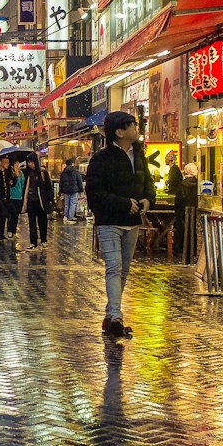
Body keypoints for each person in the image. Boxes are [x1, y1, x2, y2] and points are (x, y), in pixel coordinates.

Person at [85, 110, 154, 339]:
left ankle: (110, 316)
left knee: (123, 270)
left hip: (132, 223)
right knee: (113, 267)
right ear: (119, 131)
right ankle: (116, 316)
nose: (137, 129)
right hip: (109, 222)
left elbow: (148, 183)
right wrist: (124, 204)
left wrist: (147, 200)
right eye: (132, 125)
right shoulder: (101, 158)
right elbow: (95, 193)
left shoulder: (139, 154)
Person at [24, 155, 54, 250]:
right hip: (31, 201)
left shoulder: (42, 172)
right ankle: (33, 242)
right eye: (28, 162)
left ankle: (43, 240)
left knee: (42, 222)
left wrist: (49, 199)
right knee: (32, 223)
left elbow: (49, 187)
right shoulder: (27, 174)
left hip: (41, 202)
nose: (30, 164)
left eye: (31, 162)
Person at [6, 160, 25, 249]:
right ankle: (9, 230)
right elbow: (10, 184)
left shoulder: (21, 174)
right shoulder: (11, 174)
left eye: (18, 164)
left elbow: (23, 185)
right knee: (12, 214)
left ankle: (13, 230)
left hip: (19, 197)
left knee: (16, 215)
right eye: (16, 165)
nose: (17, 166)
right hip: (12, 197)